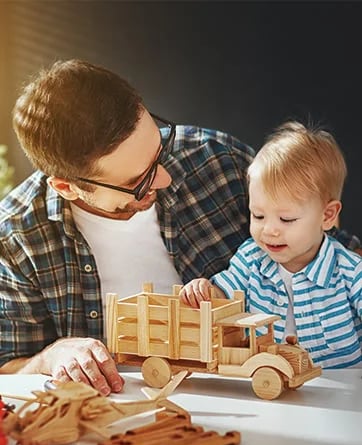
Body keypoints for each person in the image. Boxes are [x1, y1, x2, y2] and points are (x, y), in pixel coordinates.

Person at [0, 61, 360, 392]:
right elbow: (8, 366)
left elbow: (329, 242)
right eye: (139, 181)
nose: (166, 177)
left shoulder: (216, 159)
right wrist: (51, 356)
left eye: (160, 149)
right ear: (67, 186)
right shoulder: (17, 238)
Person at [180, 121, 362, 369]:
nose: (269, 230)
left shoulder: (350, 271)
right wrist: (204, 291)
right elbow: (222, 295)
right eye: (258, 216)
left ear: (327, 216)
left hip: (341, 395)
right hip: (270, 384)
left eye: (286, 219)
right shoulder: (251, 258)